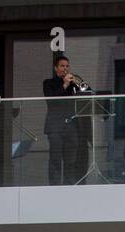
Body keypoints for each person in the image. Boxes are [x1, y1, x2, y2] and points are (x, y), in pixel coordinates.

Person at [42, 55, 84, 185]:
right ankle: (54, 187)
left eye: (67, 66)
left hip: (71, 126)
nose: (65, 69)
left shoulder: (73, 85)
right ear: (56, 68)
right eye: (62, 66)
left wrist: (75, 85)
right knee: (55, 159)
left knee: (71, 160)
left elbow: (85, 95)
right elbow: (51, 100)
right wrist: (65, 84)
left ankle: (69, 186)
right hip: (55, 127)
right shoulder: (48, 83)